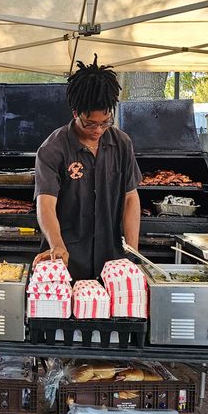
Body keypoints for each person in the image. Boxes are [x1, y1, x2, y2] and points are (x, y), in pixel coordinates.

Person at [33, 55, 142, 280]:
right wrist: (57, 245)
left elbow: (130, 197)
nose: (98, 130)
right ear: (76, 113)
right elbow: (45, 203)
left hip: (111, 257)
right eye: (90, 123)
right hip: (66, 257)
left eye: (105, 122)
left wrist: (132, 252)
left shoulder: (122, 143)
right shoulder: (53, 149)